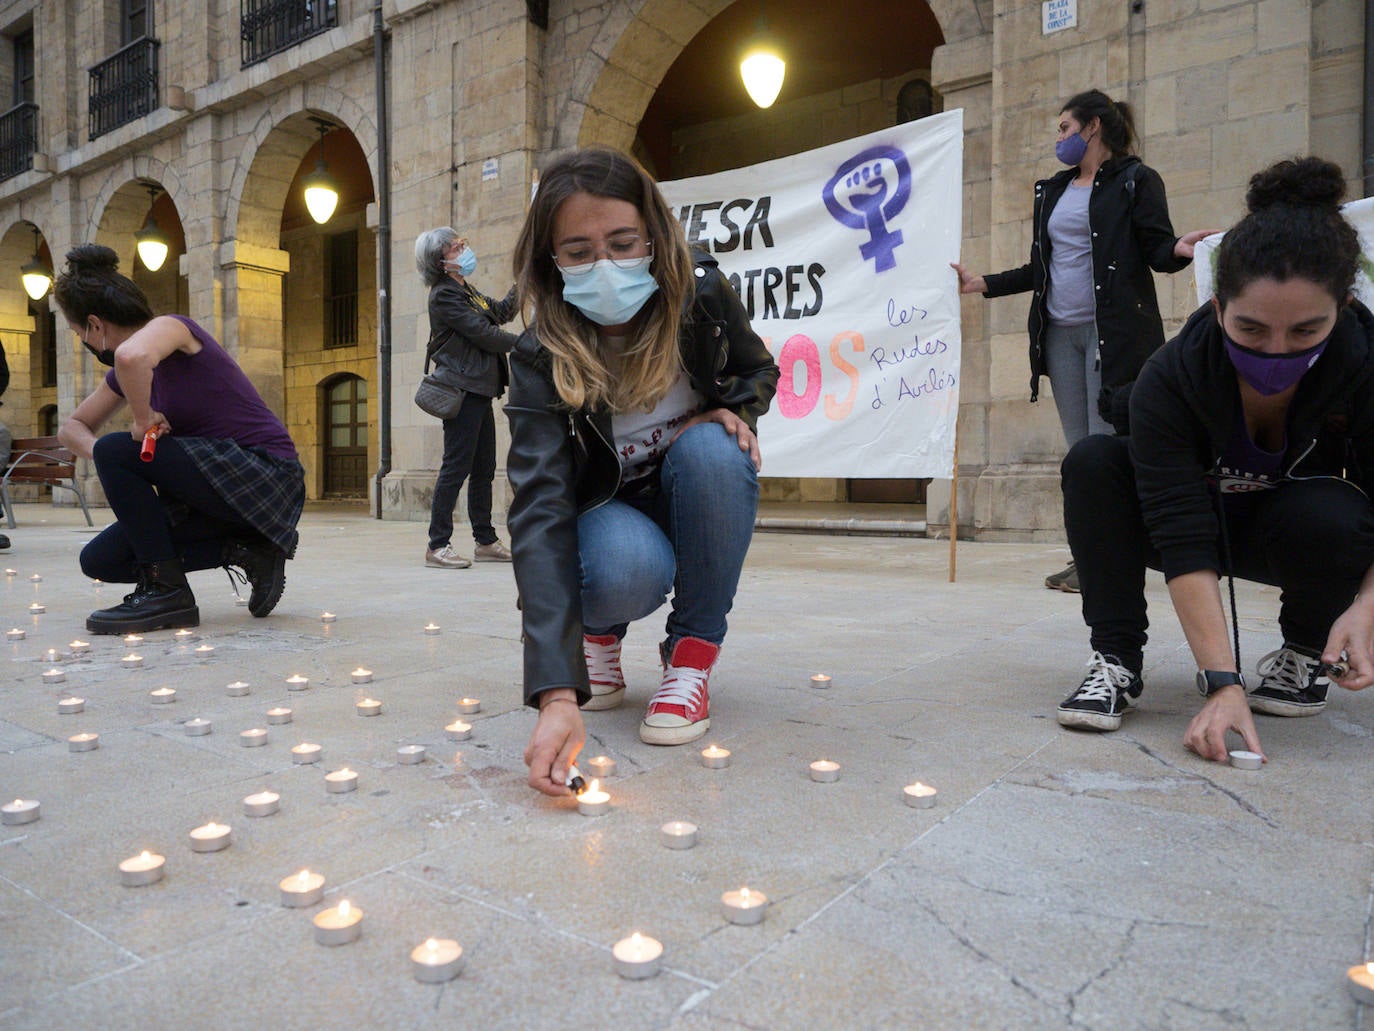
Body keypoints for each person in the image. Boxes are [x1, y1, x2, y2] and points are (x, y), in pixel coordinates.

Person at [1055, 156, 1374, 763]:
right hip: (1191, 520)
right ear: (1217, 305)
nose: (1276, 352)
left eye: (1306, 332)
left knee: (1343, 511)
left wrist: (1368, 605)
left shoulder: (1365, 364)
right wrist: (1222, 682)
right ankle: (1117, 658)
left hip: (1286, 531)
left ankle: (1305, 651)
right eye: (1251, 329)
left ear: (1343, 309)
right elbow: (1180, 530)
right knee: (1094, 462)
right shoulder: (1170, 378)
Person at [506, 147, 779, 796]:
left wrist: (731, 410)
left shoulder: (703, 297)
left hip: (691, 490)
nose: (605, 265)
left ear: (653, 236)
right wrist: (554, 690)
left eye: (623, 242)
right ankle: (597, 636)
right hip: (612, 515)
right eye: (577, 251)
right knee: (619, 565)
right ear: (552, 262)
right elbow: (541, 508)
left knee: (716, 453)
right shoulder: (538, 355)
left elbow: (756, 369)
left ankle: (689, 655)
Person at [951, 88, 1214, 593]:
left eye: (1064, 129)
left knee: (1104, 447)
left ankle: (1113, 558)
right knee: (1081, 454)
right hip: (1059, 336)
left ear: (1093, 126)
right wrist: (981, 283)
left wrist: (1179, 248)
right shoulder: (1052, 190)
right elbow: (1040, 266)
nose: (1059, 138)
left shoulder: (1137, 180)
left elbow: (1157, 248)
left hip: (1111, 337)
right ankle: (1091, 556)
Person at [54, 245, 304, 634]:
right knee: (101, 560)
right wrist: (111, 458)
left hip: (267, 476)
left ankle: (166, 591)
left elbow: (132, 357)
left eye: (78, 334)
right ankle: (250, 550)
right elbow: (71, 428)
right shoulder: (124, 371)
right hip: (210, 491)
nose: (84, 343)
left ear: (95, 326)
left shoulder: (172, 328)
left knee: (117, 448)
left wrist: (141, 422)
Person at [414, 227, 519, 569]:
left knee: (484, 468)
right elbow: (484, 334)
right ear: (440, 261)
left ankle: (485, 541)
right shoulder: (444, 295)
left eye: (462, 243)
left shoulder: (467, 291)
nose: (463, 249)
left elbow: (501, 312)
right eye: (455, 246)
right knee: (456, 467)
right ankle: (437, 544)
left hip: (480, 388)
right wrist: (525, 344)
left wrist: (525, 282)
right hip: (462, 389)